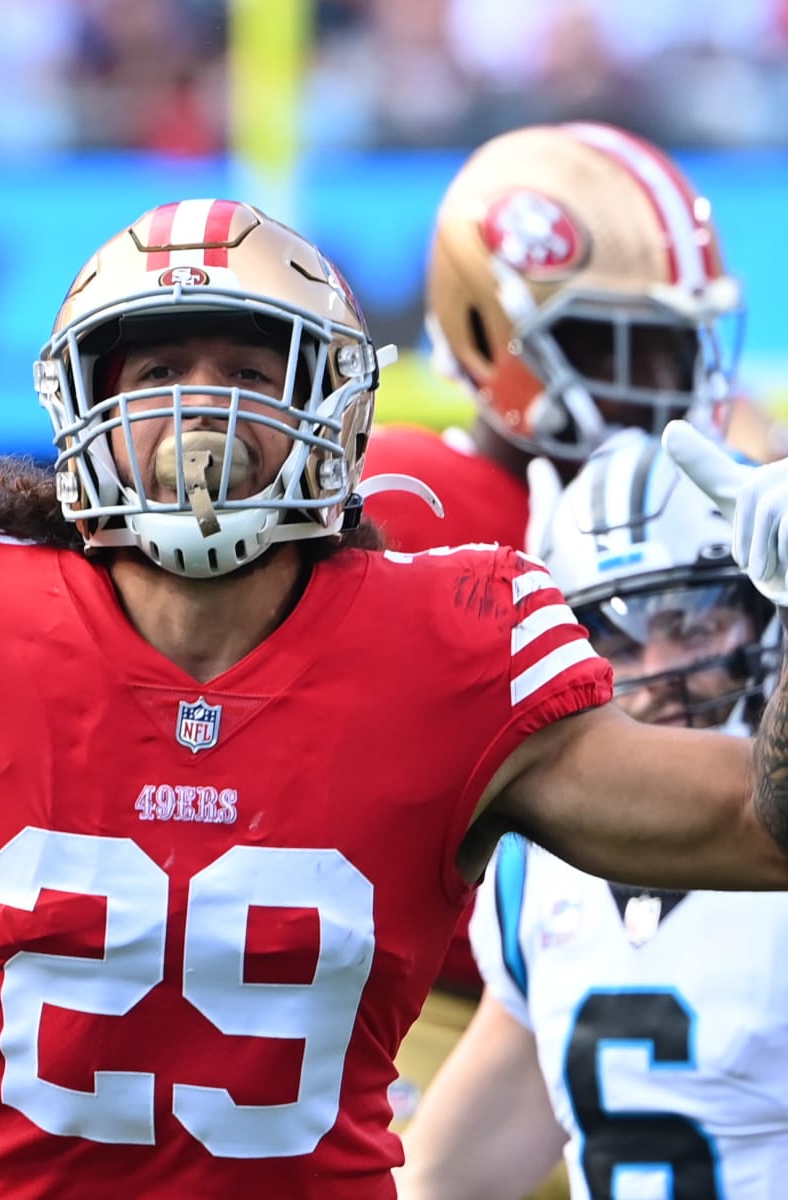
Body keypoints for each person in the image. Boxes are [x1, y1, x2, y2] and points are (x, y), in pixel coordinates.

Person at [0, 197, 788, 1200]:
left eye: (248, 370)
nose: (202, 409)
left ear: (332, 406)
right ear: (85, 401)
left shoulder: (452, 644)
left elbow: (756, 824)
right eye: (160, 368)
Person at [357, 120, 755, 1146]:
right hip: (437, 1001)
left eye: (674, 344)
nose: (660, 383)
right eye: (615, 345)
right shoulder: (406, 503)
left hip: (709, 959)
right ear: (496, 331)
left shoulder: (735, 492)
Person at [395, 430, 788, 1199]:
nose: (661, 671)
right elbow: (447, 1176)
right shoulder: (532, 869)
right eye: (618, 635)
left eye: (697, 621)